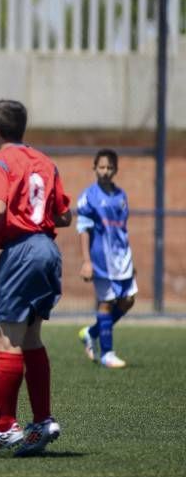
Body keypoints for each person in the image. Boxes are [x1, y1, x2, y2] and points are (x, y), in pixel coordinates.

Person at [0, 99, 72, 457]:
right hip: (48, 250)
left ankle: (5, 426)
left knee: (8, 340)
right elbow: (64, 216)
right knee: (32, 338)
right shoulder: (45, 161)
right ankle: (42, 421)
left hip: (20, 251)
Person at [76, 149, 135, 368]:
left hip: (123, 259)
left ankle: (91, 333)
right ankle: (107, 354)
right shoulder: (89, 196)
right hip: (102, 259)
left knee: (128, 300)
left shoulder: (121, 196)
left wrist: (130, 261)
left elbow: (122, 230)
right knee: (107, 303)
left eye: (110, 167)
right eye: (102, 167)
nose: (106, 171)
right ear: (94, 168)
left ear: (116, 170)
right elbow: (83, 229)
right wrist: (86, 261)